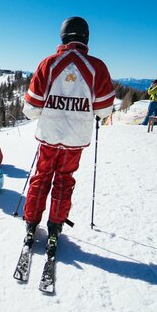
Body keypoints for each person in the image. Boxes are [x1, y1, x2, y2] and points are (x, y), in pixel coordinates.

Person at [22, 16, 115, 256]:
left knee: (41, 176)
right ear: (86, 37)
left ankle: (31, 222)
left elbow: (31, 108)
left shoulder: (49, 63)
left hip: (49, 136)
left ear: (62, 36)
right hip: (75, 140)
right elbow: (104, 109)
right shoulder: (97, 67)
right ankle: (55, 225)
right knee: (64, 180)